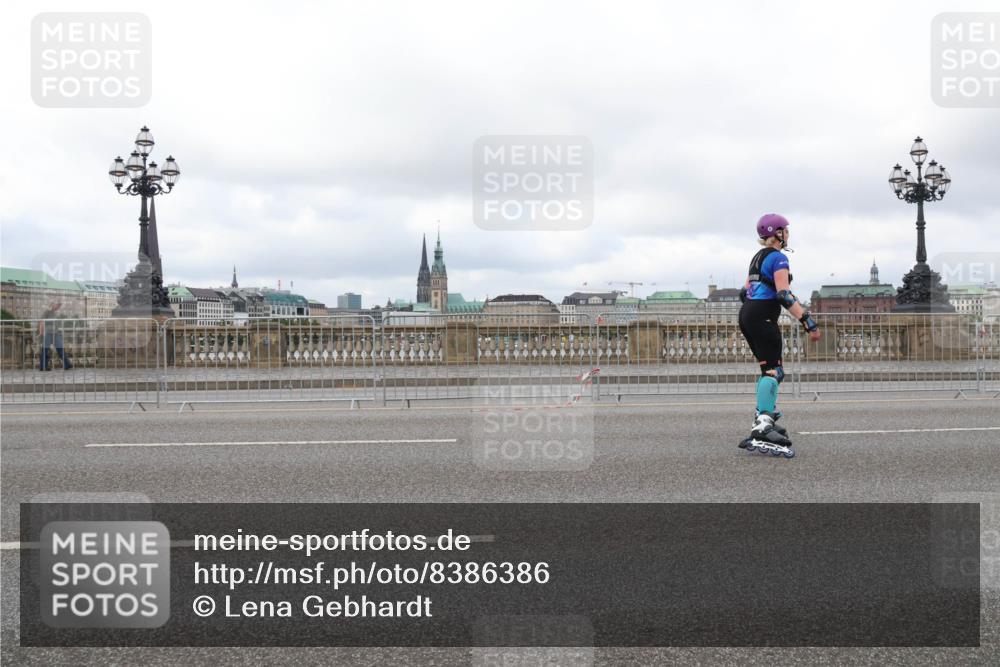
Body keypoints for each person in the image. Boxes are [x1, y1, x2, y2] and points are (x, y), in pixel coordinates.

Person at [737, 213, 819, 453]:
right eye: (786, 231)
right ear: (778, 233)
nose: (788, 235)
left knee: (768, 369)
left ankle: (766, 417)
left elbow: (745, 292)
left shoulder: (757, 257)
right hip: (763, 316)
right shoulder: (778, 258)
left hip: (747, 314)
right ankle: (762, 426)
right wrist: (808, 322)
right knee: (774, 370)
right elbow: (784, 294)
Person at [38, 301, 73, 371]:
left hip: (56, 333)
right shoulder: (47, 311)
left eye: (59, 306)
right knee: (45, 350)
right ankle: (43, 367)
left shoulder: (55, 313)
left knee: (60, 348)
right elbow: (41, 321)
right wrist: (41, 332)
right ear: (53, 304)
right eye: (58, 306)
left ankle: (67, 364)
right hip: (48, 333)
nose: (58, 307)